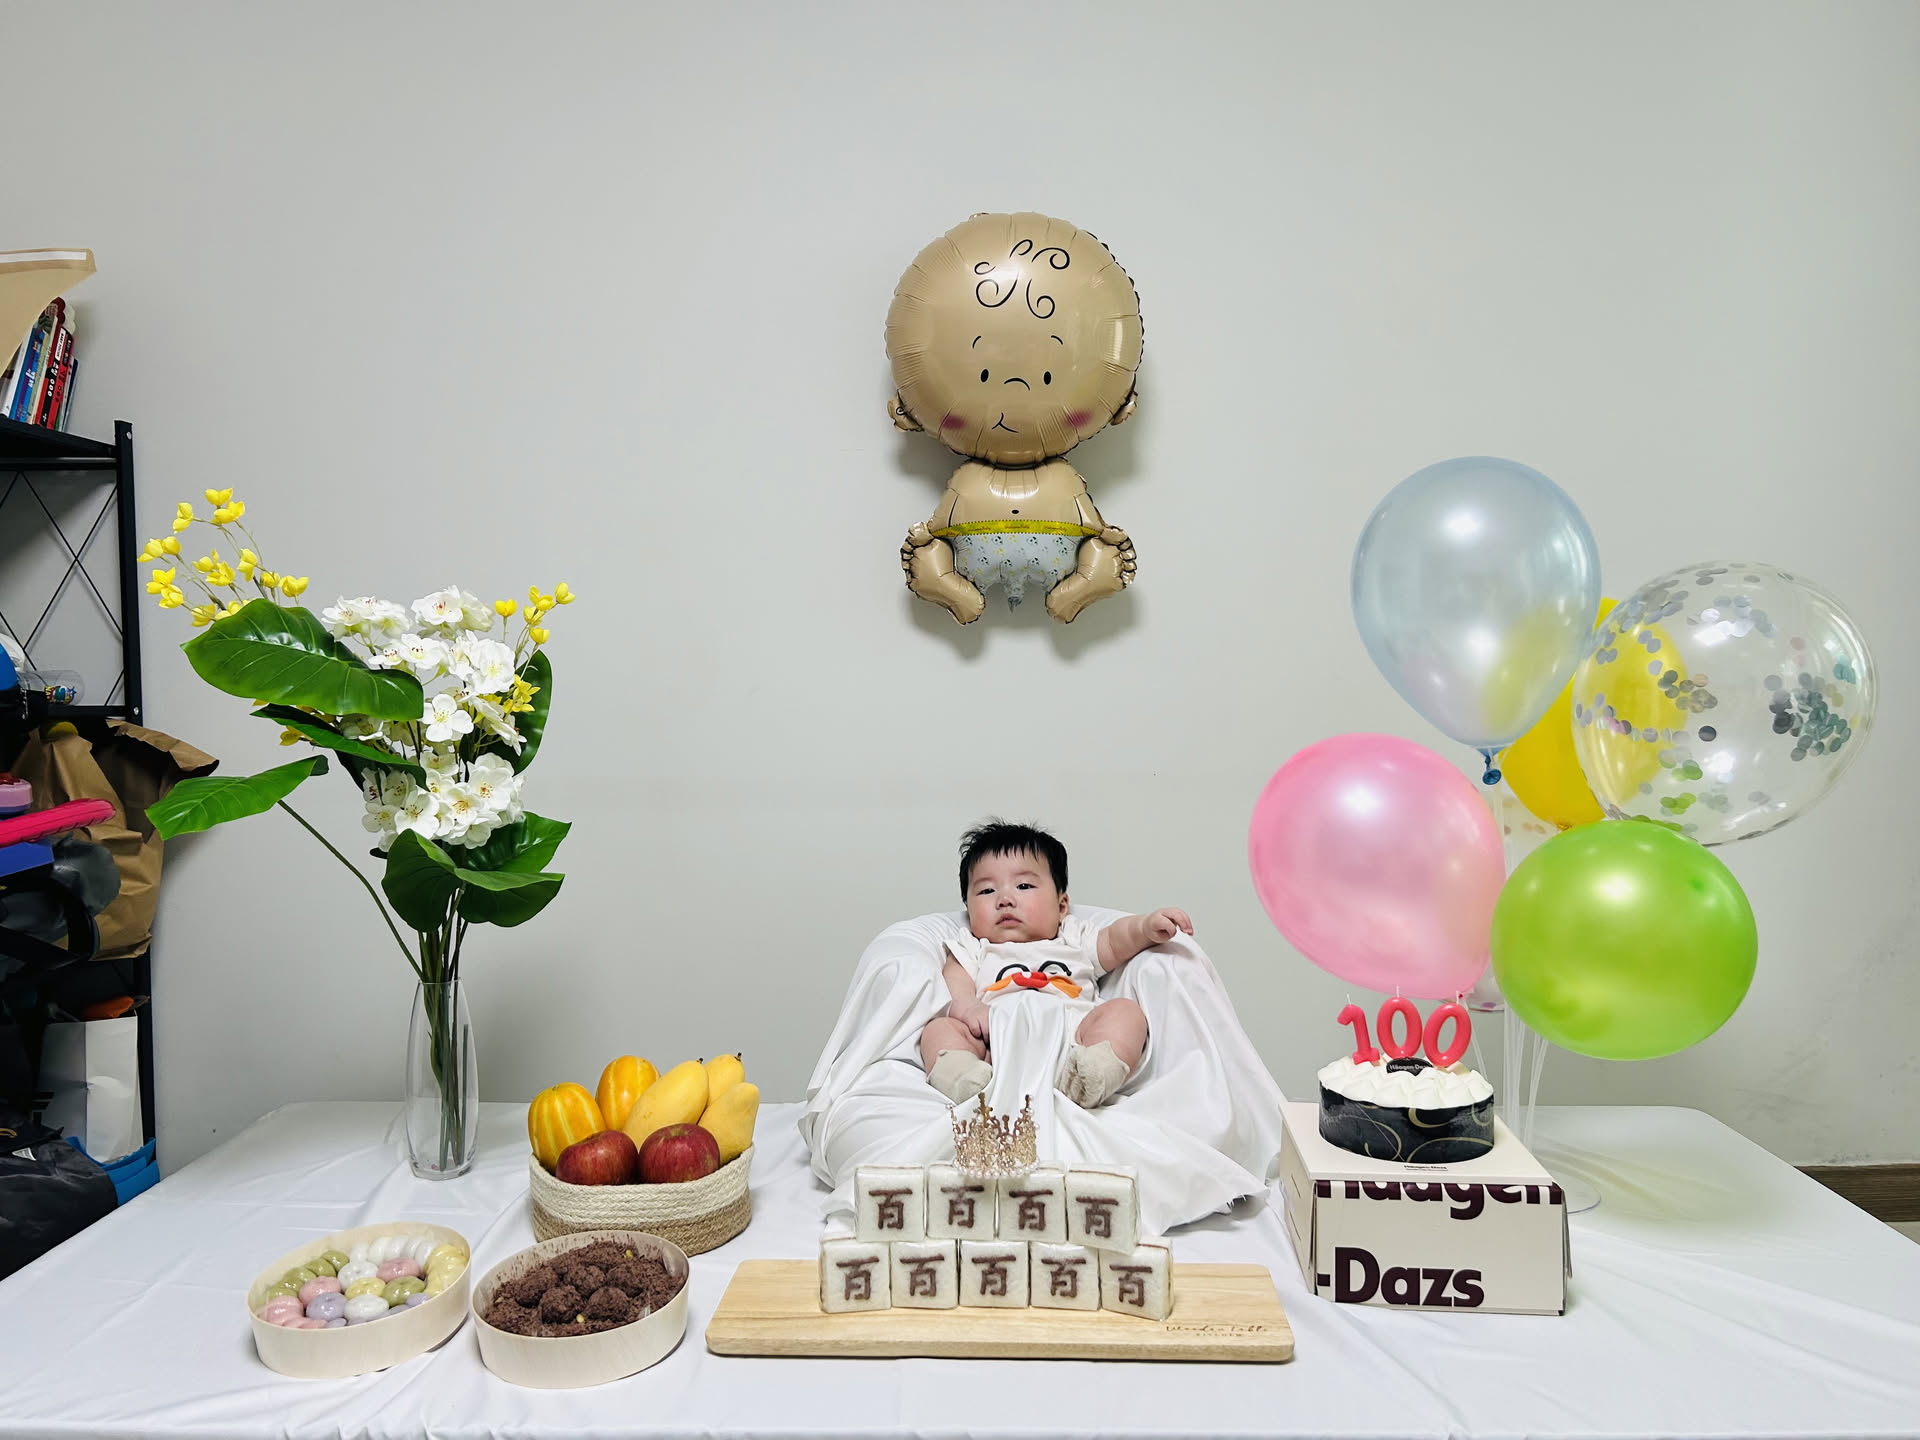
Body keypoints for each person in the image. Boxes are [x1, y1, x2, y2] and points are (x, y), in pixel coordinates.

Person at [918, 820, 1193, 1110]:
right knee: (938, 1029)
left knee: (1126, 1012)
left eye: (1024, 886)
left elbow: (1114, 941)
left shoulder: (1073, 938)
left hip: (1074, 1043)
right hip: (996, 1047)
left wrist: (1145, 927)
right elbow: (955, 984)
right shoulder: (974, 947)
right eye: (987, 891)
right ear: (968, 909)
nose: (1004, 899)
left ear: (1061, 906)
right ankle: (966, 1081)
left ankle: (1095, 1073)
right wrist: (970, 1009)